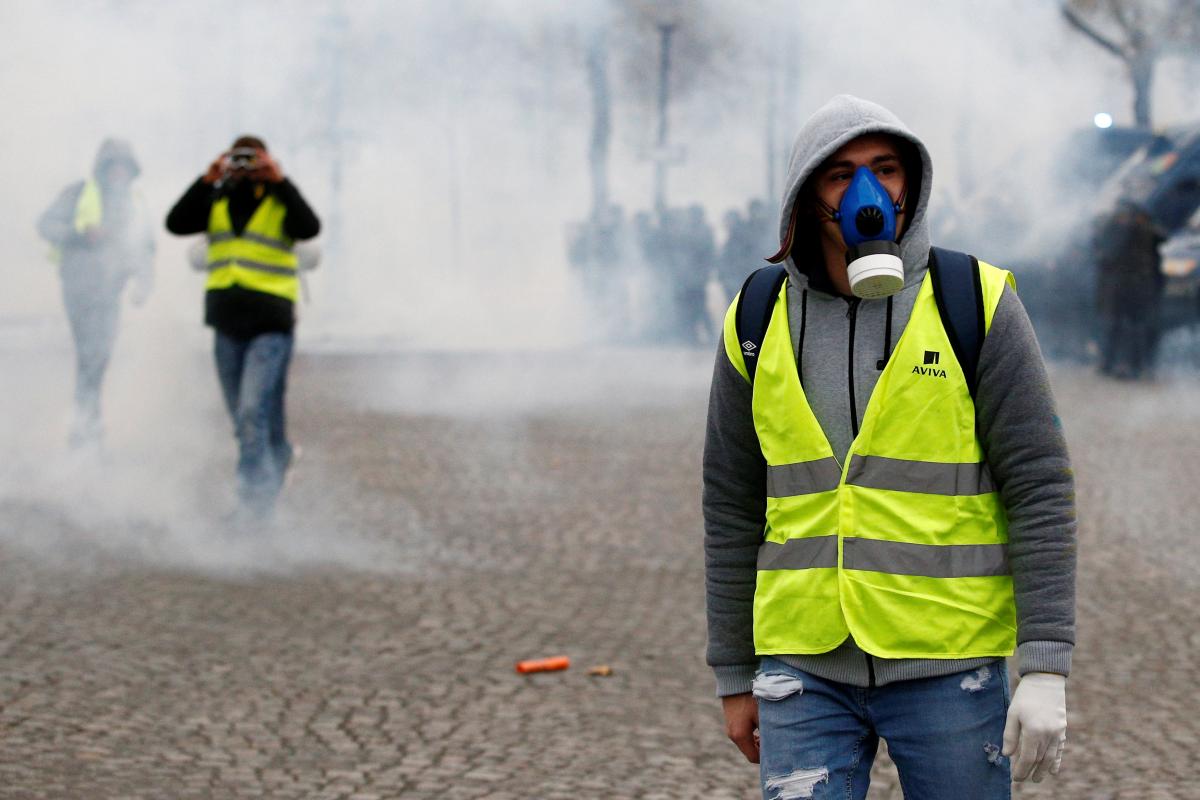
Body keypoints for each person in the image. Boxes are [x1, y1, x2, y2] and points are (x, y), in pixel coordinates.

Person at [703, 96, 1076, 798]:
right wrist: (734, 672)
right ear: (806, 192)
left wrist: (1046, 662)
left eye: (885, 168)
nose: (867, 193)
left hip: (948, 666)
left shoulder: (976, 301)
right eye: (840, 174)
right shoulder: (757, 318)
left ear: (913, 182)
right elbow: (729, 503)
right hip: (802, 668)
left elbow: (1039, 483)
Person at [165, 135, 320, 520]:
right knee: (245, 417)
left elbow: (309, 227)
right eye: (239, 159)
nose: (246, 166)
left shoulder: (280, 200)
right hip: (226, 324)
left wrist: (279, 180)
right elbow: (176, 223)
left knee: (252, 412)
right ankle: (277, 456)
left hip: (271, 324)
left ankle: (253, 508)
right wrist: (206, 180)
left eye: (254, 159)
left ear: (268, 160)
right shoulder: (217, 198)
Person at [37, 138, 155, 449]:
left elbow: (146, 248)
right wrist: (80, 235)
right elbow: (45, 225)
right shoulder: (78, 193)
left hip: (111, 293)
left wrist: (143, 284)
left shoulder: (136, 203)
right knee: (92, 357)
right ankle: (86, 432)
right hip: (80, 290)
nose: (118, 173)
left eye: (124, 167)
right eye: (113, 166)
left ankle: (86, 429)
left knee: (98, 359)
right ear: (102, 168)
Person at [1094, 199, 1165, 379]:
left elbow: (1161, 242)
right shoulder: (1116, 231)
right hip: (1120, 288)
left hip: (1137, 288)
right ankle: (1111, 363)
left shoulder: (1143, 232)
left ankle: (1132, 366)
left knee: (1135, 328)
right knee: (1115, 326)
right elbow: (1106, 258)